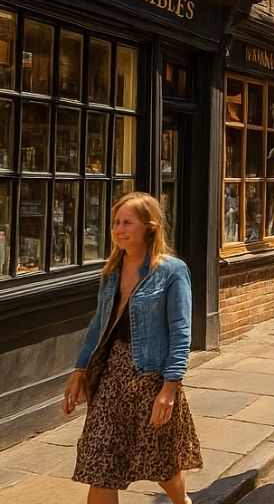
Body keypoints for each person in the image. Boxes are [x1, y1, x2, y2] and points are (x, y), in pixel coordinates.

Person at [63, 192, 201, 503]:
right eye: (115, 223)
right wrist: (79, 370)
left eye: (127, 222)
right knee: (100, 462)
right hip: (111, 376)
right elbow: (99, 324)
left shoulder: (171, 271)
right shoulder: (111, 271)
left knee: (160, 462)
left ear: (149, 227)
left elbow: (181, 333)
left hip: (149, 377)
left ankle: (183, 502)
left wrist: (169, 389)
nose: (119, 229)